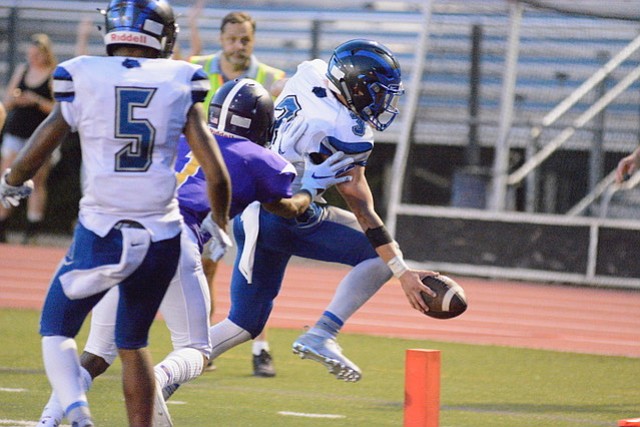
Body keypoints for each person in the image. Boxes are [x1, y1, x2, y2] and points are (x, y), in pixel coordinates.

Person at [36, 78, 351, 427]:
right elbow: (289, 209)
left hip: (120, 233)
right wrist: (313, 185)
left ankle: (47, 420)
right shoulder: (262, 159)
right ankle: (157, 378)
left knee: (96, 354)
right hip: (173, 240)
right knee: (196, 350)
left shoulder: (179, 135)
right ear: (262, 122)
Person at [0, 0, 232, 425]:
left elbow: (47, 135)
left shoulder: (83, 73)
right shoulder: (179, 78)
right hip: (161, 234)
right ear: (163, 35)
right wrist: (221, 222)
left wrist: (13, 181)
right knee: (133, 342)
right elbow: (216, 175)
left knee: (57, 327)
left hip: (102, 228)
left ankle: (74, 411)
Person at [204, 39, 439, 384]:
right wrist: (402, 271)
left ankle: (165, 374)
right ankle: (321, 334)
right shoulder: (350, 131)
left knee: (243, 324)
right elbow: (363, 210)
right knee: (377, 257)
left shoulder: (312, 71)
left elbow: (281, 89)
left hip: (253, 209)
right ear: (356, 86)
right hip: (285, 212)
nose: (384, 102)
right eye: (378, 92)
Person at [188, 2, 287, 376]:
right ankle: (202, 345)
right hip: (209, 182)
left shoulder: (271, 76)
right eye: (232, 39)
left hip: (252, 182)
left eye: (244, 39)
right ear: (221, 40)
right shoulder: (198, 71)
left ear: (253, 40)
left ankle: (260, 348)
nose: (238, 46)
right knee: (207, 265)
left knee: (257, 267)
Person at [0, 33, 57, 243]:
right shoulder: (23, 70)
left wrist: (36, 100)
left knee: (36, 181)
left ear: (45, 54)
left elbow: (58, 109)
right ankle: (2, 223)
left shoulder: (52, 74)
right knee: (7, 179)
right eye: (30, 54)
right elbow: (6, 101)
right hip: (16, 131)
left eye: (37, 54)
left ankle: (32, 228)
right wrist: (16, 99)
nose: (33, 58)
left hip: (40, 136)